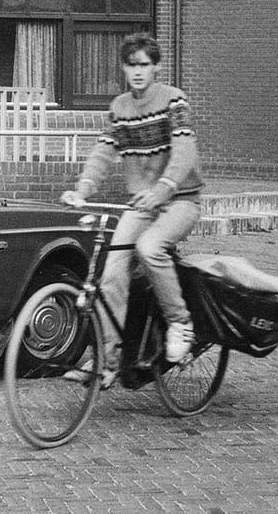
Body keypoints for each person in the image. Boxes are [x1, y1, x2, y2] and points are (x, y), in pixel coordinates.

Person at [61, 32, 203, 364]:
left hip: (180, 201)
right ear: (124, 69)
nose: (137, 71)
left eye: (144, 65)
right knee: (112, 269)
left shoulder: (174, 100)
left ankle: (181, 324)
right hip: (141, 204)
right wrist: (82, 190)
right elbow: (103, 154)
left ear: (156, 67)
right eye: (131, 65)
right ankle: (107, 359)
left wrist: (162, 189)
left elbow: (184, 152)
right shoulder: (119, 108)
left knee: (149, 248)